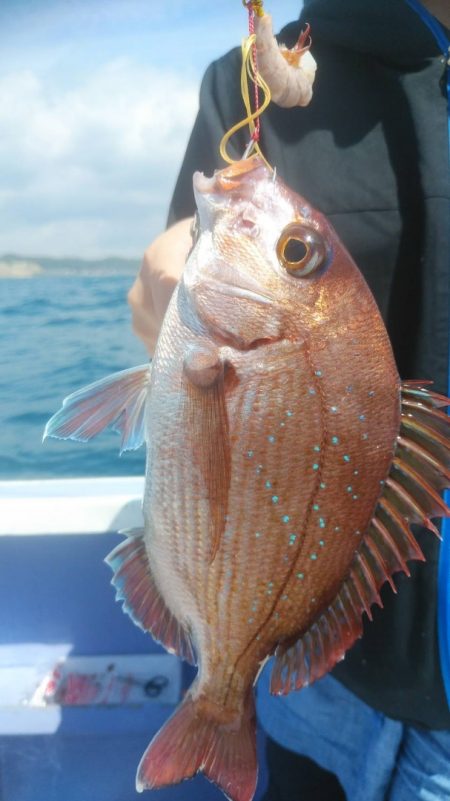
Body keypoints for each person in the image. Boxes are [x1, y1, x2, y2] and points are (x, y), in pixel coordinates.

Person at [128, 0, 450, 798]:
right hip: (326, 693)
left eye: (294, 248)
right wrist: (162, 293)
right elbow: (181, 254)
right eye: (298, 252)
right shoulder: (252, 78)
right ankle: (222, 699)